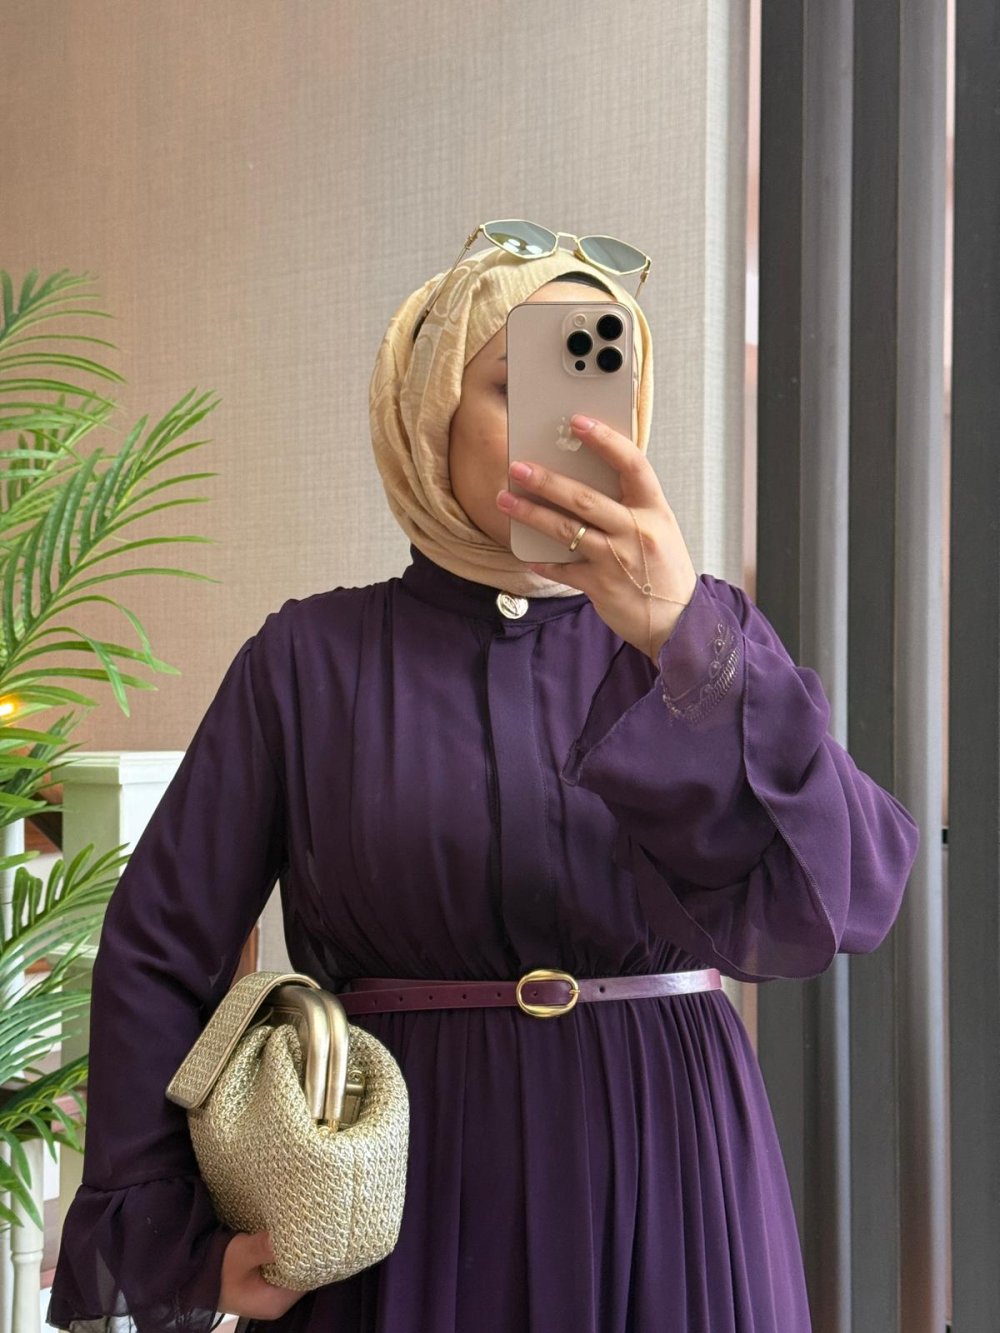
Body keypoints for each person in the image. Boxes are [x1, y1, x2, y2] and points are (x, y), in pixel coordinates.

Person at [47, 238, 920, 1333]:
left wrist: (678, 637)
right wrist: (175, 1238)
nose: (576, 429)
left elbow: (847, 892)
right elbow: (159, 947)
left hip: (674, 1174)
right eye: (519, 386)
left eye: (601, 388)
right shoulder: (307, 661)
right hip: (400, 1193)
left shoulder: (707, 643)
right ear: (429, 415)